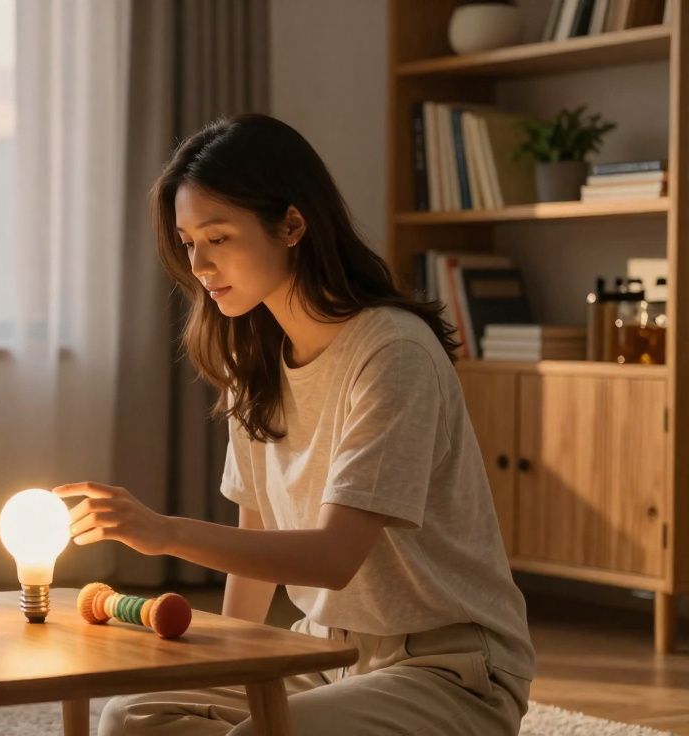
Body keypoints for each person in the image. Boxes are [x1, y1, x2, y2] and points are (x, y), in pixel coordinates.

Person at [53, 114, 534, 735]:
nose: (197, 263)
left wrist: (162, 531)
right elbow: (255, 537)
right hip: (325, 652)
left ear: (292, 224)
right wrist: (230, 655)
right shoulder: (250, 356)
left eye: (219, 238)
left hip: (447, 667)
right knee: (133, 717)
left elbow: (334, 557)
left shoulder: (393, 353)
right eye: (187, 239)